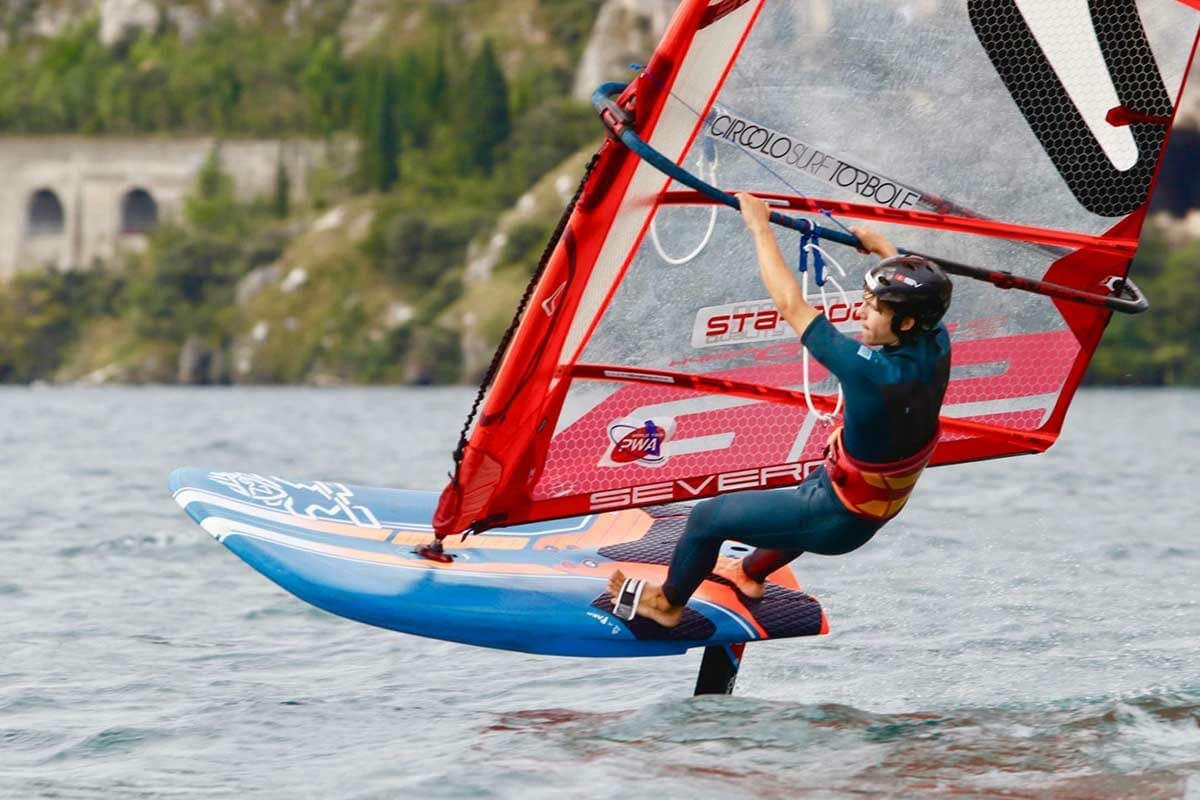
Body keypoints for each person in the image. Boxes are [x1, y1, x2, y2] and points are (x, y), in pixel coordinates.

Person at [608, 193, 953, 627]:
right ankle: (750, 574)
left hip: (835, 519)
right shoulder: (936, 340)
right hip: (857, 498)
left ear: (904, 323)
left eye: (874, 309)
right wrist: (885, 253)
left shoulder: (872, 372)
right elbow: (921, 293)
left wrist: (760, 226)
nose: (862, 313)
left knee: (706, 518)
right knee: (817, 478)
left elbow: (792, 306)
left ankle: (667, 604)